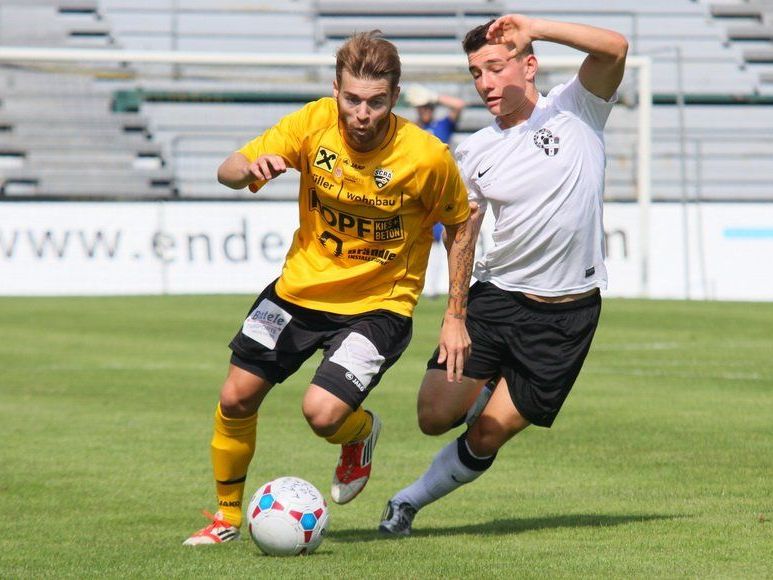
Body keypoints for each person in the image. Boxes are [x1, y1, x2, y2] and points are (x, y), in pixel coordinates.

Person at [183, 30, 478, 546]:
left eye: (376, 102)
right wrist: (250, 168)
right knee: (235, 398)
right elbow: (227, 170)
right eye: (352, 99)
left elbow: (461, 224)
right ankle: (227, 518)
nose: (362, 113)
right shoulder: (312, 123)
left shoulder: (426, 157)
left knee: (321, 414)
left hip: (378, 308)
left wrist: (455, 315)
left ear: (395, 95)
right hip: (297, 292)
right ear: (336, 89)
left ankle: (360, 434)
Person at [379, 14, 628, 536]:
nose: (485, 83)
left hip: (568, 314)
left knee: (487, 435)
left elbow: (614, 47)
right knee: (432, 417)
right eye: (476, 73)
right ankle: (487, 379)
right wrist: (455, 316)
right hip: (496, 300)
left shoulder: (577, 107)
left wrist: (534, 24)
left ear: (529, 64)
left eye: (496, 67)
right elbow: (462, 235)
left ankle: (406, 503)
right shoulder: (472, 152)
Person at [405, 87, 467, 298]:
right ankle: (418, 284)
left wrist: (435, 95)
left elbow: (459, 105)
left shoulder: (441, 125)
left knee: (442, 239)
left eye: (428, 107)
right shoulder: (412, 129)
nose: (425, 111)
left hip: (440, 190)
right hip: (420, 189)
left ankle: (433, 288)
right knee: (420, 239)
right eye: (422, 108)